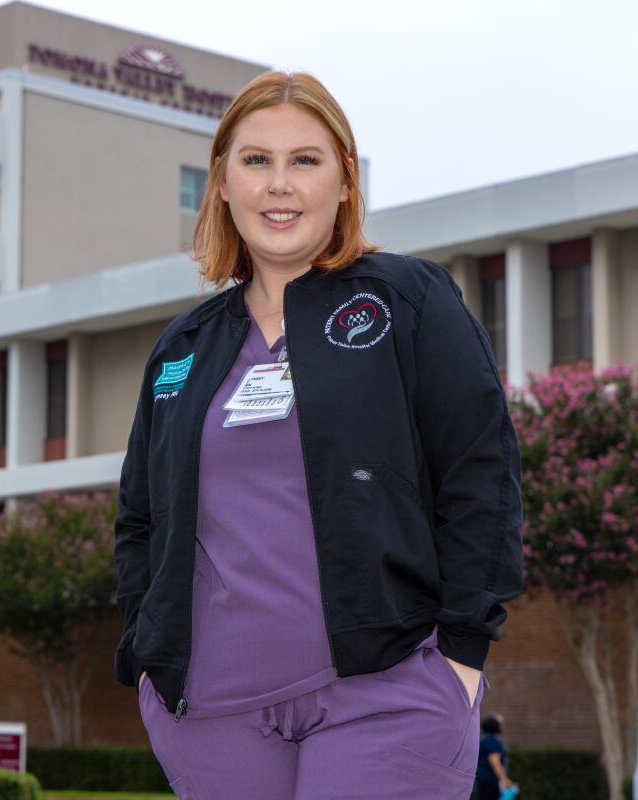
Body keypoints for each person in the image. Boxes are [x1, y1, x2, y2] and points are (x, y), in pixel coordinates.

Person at [111, 69, 525, 800]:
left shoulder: (409, 300)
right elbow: (140, 520)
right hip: (212, 716)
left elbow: (481, 473)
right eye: (256, 161)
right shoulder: (183, 348)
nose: (279, 184)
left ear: (343, 184)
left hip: (390, 693)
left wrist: (459, 656)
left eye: (305, 160)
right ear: (223, 182)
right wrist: (150, 662)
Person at [473, 714, 514, 799]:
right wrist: (504, 779)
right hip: (489, 781)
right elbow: (495, 763)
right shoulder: (493, 742)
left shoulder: (482, 740)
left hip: (480, 780)